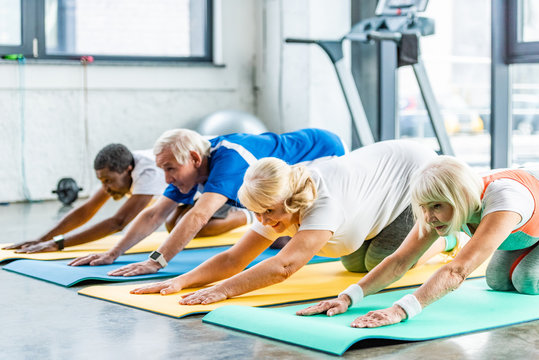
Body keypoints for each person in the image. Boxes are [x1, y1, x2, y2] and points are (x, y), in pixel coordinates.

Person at [130, 140, 443, 305]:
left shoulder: (323, 203)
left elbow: (284, 267)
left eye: (268, 213)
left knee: (378, 261)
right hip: (374, 190)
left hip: (414, 177)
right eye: (258, 214)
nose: (264, 222)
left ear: (290, 203)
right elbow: (235, 257)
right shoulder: (277, 198)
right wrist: (180, 281)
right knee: (355, 265)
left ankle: (446, 239)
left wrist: (224, 291)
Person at [296, 156, 539, 328]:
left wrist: (401, 309)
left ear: (460, 199)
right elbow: (400, 260)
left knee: (526, 281)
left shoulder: (504, 202)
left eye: (435, 207)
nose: (428, 217)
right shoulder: (446, 201)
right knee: (497, 280)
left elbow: (457, 271)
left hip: (523, 217)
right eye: (423, 207)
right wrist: (347, 297)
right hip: (525, 230)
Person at [68, 128, 347, 274]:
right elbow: (155, 215)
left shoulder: (229, 159)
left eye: (170, 169)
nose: (166, 179)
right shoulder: (189, 168)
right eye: (162, 169)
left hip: (323, 151)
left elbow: (199, 216)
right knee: (275, 232)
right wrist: (112, 254)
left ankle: (253, 218)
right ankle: (256, 219)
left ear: (194, 159)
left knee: (296, 231)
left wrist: (156, 261)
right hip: (286, 166)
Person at [3, 144, 167, 253]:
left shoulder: (148, 173)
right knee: (172, 221)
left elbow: (118, 223)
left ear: (127, 170)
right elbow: (87, 209)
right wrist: (42, 239)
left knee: (174, 223)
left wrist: (58, 244)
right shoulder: (120, 167)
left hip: (193, 199)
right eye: (102, 181)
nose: (106, 188)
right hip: (183, 200)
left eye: (108, 181)